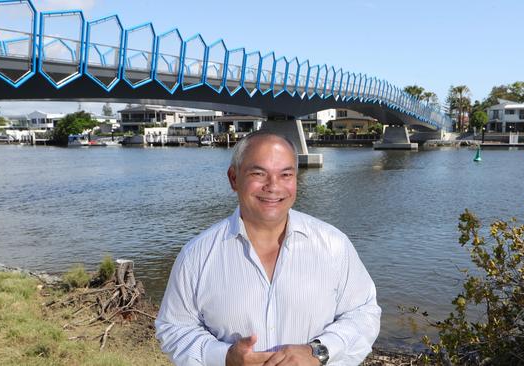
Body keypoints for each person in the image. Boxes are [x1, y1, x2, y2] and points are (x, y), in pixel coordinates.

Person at [156, 131, 381, 366]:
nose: (273, 186)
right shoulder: (197, 255)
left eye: (285, 174)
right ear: (234, 178)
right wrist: (224, 357)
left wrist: (319, 351)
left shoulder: (334, 245)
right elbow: (174, 328)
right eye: (258, 173)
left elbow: (364, 313)